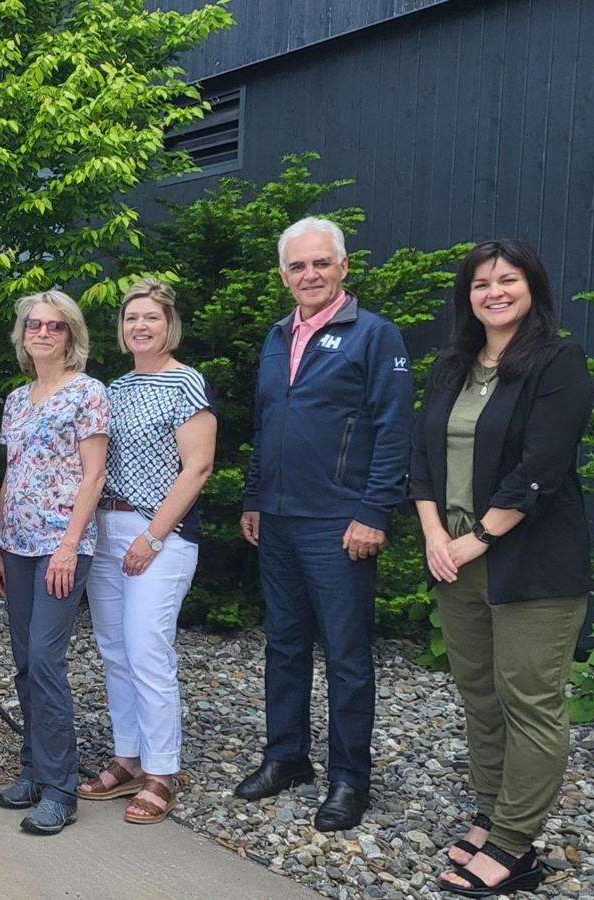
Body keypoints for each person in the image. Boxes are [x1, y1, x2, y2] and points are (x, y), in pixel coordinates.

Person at [410, 240, 591, 897]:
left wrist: (477, 538)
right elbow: (420, 457)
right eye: (481, 282)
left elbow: (539, 470)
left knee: (530, 703)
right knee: (481, 699)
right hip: (454, 560)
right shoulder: (451, 365)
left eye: (508, 280)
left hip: (529, 566)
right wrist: (436, 534)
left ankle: (516, 846)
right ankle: (492, 814)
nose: (494, 292)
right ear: (468, 295)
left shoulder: (556, 362)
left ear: (531, 288)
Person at [236, 217, 412, 832]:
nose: (309, 274)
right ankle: (286, 758)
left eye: (320, 263)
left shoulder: (374, 335)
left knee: (345, 653)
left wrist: (374, 511)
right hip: (279, 521)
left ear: (342, 267)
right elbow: (267, 424)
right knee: (283, 645)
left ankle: (347, 780)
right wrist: (255, 495)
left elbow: (394, 431)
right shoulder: (276, 336)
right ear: (283, 275)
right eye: (297, 265)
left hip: (339, 523)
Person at [80, 278, 215, 827]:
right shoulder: (114, 388)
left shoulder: (186, 383)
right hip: (107, 527)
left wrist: (154, 535)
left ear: (169, 326)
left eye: (151, 318)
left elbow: (198, 467)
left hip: (160, 534)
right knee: (114, 651)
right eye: (131, 318)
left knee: (146, 649)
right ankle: (129, 758)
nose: (140, 325)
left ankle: (163, 772)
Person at [0, 291, 108, 835]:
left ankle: (61, 788)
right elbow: (12, 473)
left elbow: (94, 475)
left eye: (54, 326)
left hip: (62, 547)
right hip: (15, 544)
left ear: (70, 335)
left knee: (44, 658)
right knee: (21, 659)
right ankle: (33, 770)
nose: (42, 333)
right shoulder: (17, 399)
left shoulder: (87, 393)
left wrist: (68, 543)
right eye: (33, 325)